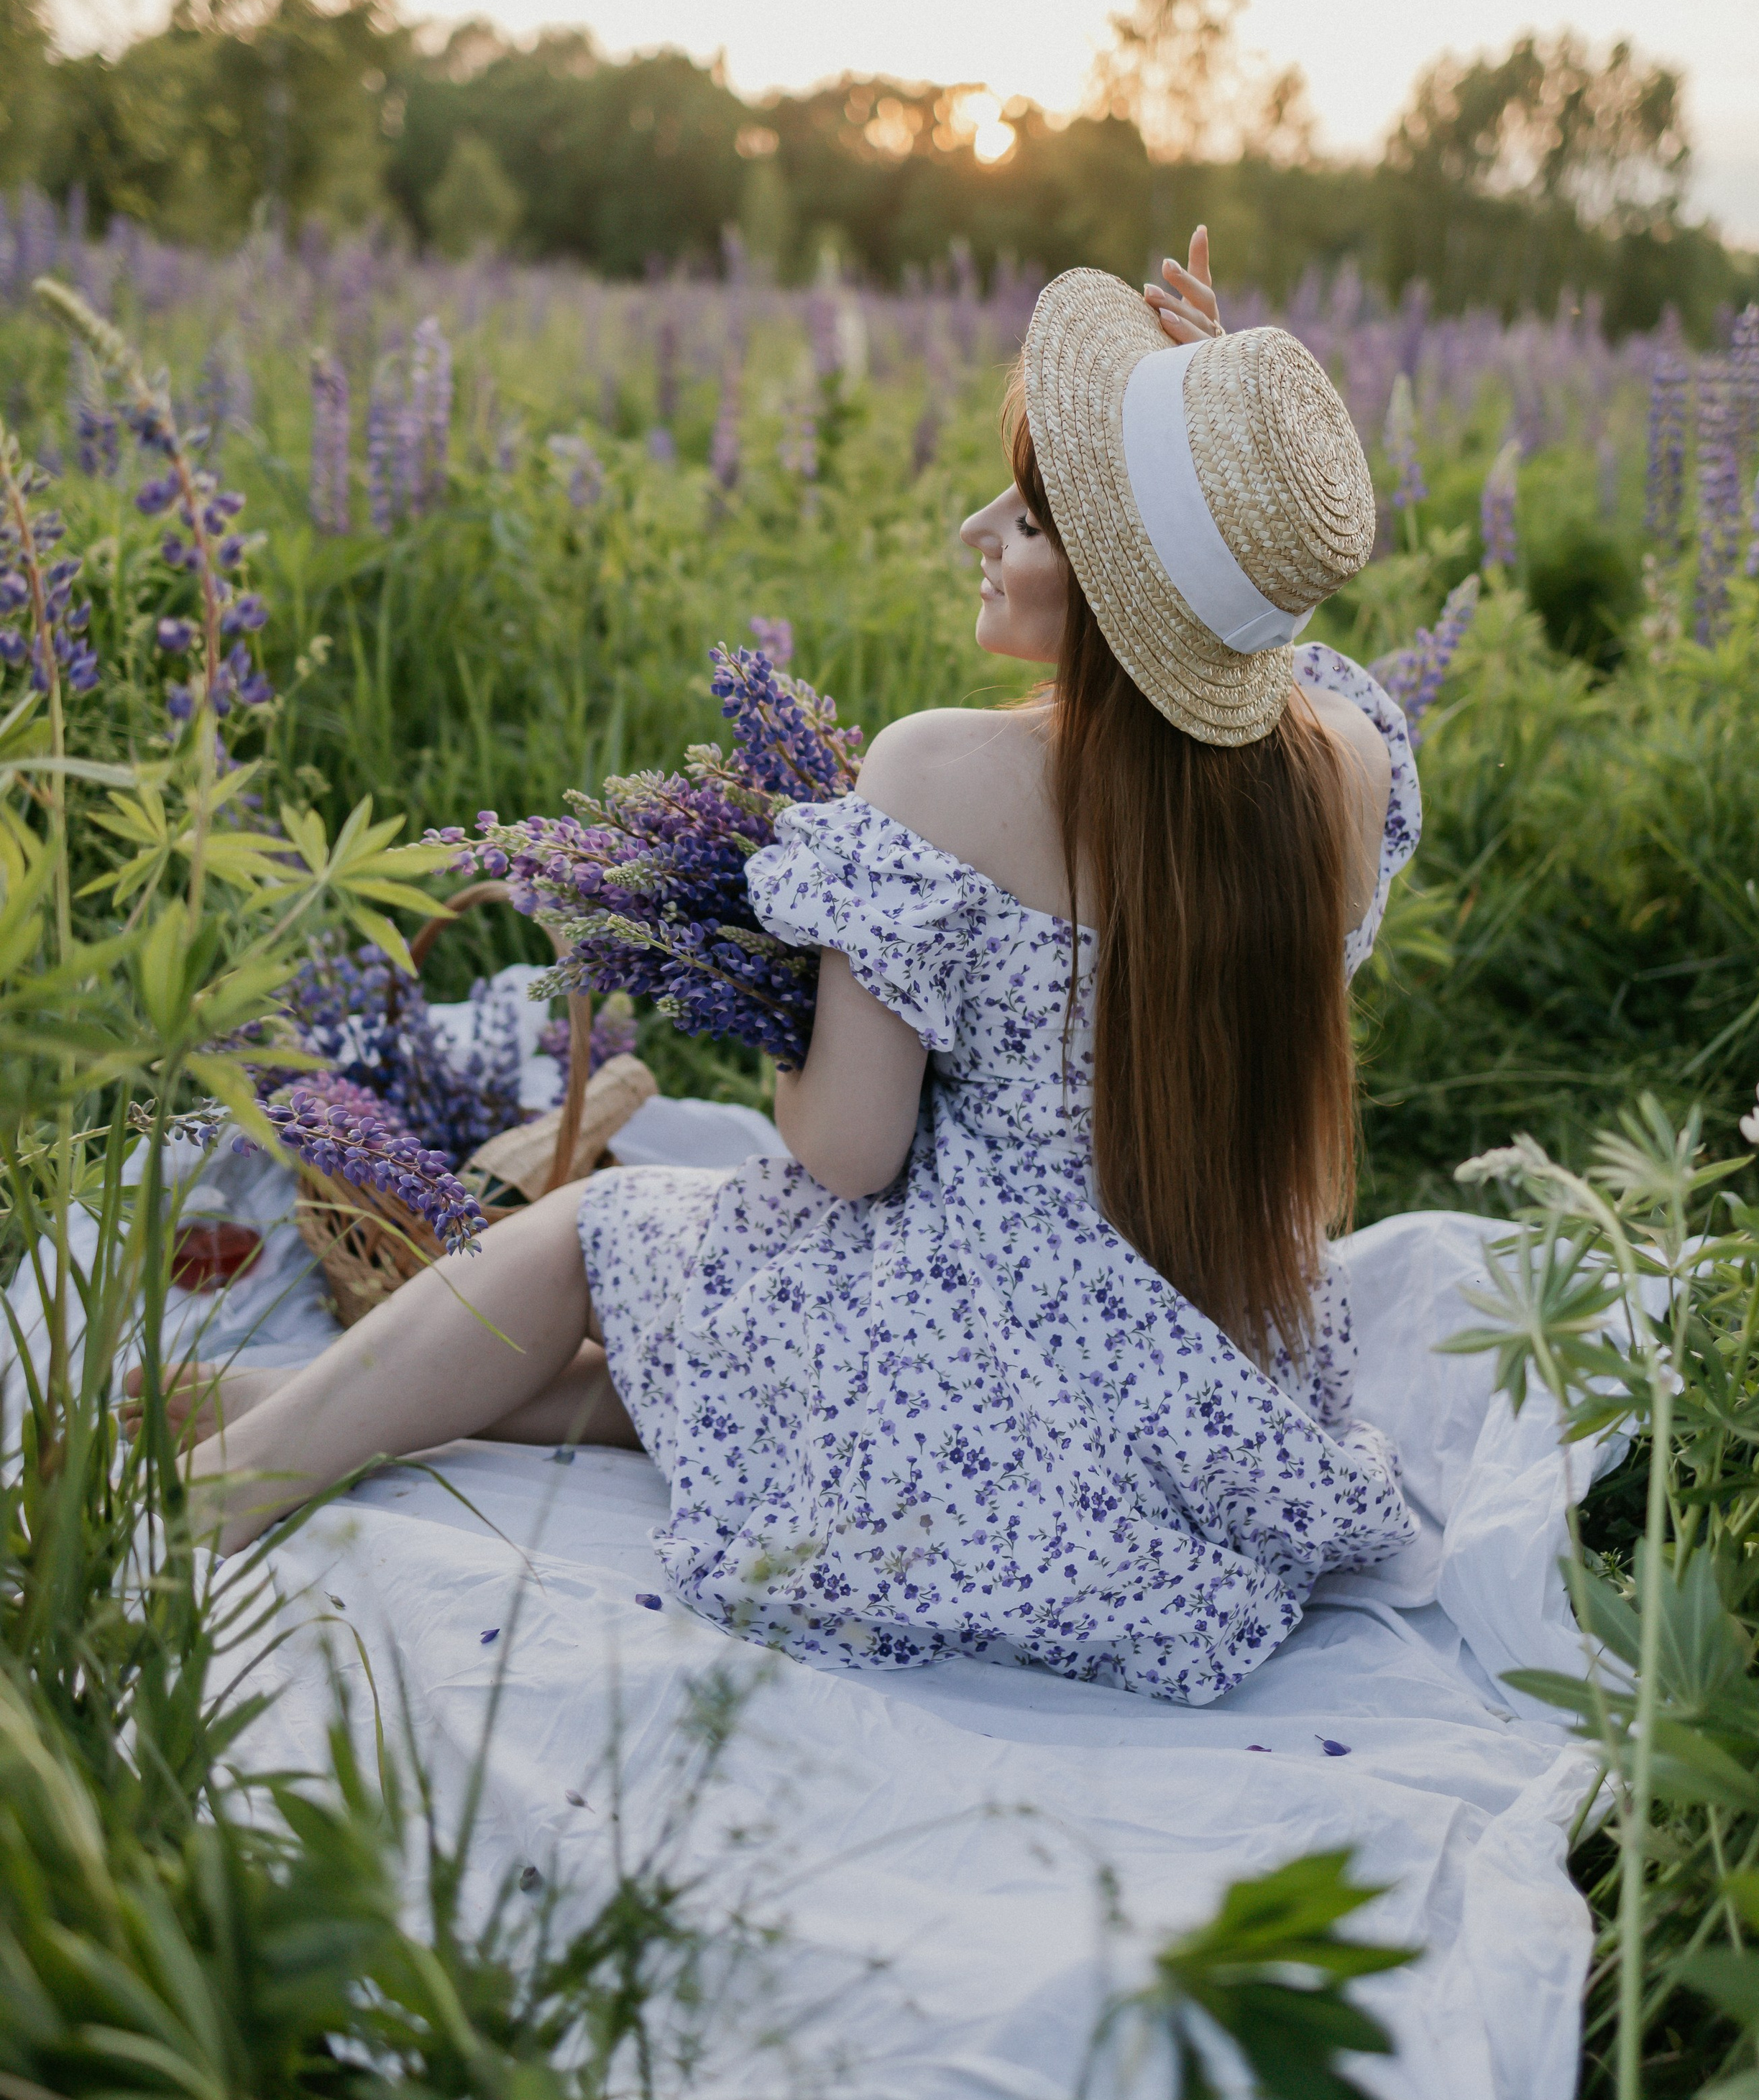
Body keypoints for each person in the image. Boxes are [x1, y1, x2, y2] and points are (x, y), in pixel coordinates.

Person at [165, 229, 1421, 1705]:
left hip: (984, 1370)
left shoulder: (942, 774)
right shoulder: (1337, 771)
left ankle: (217, 1491)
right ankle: (292, 1408)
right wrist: (1193, 451)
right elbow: (1268, 650)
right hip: (1204, 1376)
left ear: (1104, 585)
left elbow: (843, 1155)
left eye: (1026, 517)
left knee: (595, 1237)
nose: (977, 530)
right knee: (719, 1347)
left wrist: (778, 974)